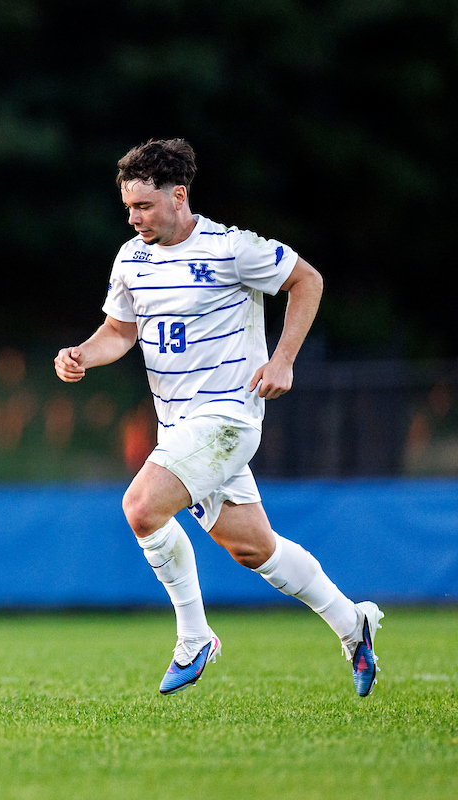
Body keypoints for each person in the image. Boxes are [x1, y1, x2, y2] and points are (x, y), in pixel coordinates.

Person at [54, 138, 382, 696]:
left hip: (228, 419)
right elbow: (120, 331)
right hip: (179, 429)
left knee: (140, 507)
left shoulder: (232, 248)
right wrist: (82, 353)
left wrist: (283, 360)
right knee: (255, 548)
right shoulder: (131, 258)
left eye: (143, 206)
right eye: (128, 207)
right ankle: (354, 625)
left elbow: (309, 280)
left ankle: (194, 638)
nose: (133, 218)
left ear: (178, 195)